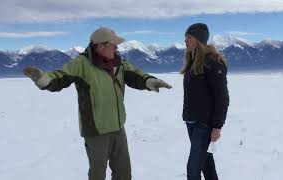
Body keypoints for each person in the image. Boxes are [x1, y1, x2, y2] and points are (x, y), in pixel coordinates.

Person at [23, 26, 172, 180]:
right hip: (96, 131)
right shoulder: (82, 63)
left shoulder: (118, 62)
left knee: (124, 174)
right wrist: (45, 80)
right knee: (97, 175)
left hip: (118, 128)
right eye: (113, 44)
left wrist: (149, 81)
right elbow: (62, 76)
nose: (117, 47)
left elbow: (136, 74)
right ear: (100, 46)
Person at [181, 23, 230, 180]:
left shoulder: (213, 63)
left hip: (204, 124)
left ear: (199, 40)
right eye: (186, 37)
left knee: (192, 169)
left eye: (189, 37)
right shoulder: (192, 61)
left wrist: (217, 126)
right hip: (191, 122)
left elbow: (222, 98)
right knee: (206, 164)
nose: (185, 41)